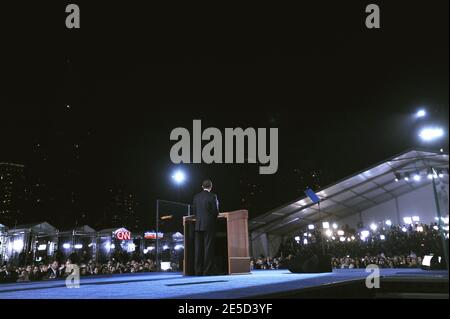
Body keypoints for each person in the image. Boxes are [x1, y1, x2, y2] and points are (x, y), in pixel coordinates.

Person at [192, 179, 220, 276]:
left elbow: (194, 212)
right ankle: (207, 271)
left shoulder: (196, 197)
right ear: (211, 187)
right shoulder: (213, 196)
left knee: (198, 248)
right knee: (208, 248)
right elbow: (216, 212)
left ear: (202, 186)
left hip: (198, 224)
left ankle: (198, 270)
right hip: (208, 225)